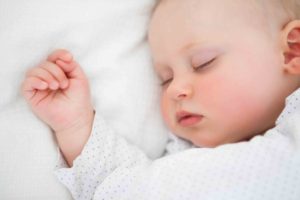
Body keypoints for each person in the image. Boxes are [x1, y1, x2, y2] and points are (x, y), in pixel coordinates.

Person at [22, 0, 300, 199]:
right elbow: (117, 184)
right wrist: (76, 125)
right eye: (164, 78)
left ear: (291, 51)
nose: (174, 89)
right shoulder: (184, 156)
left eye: (203, 63)